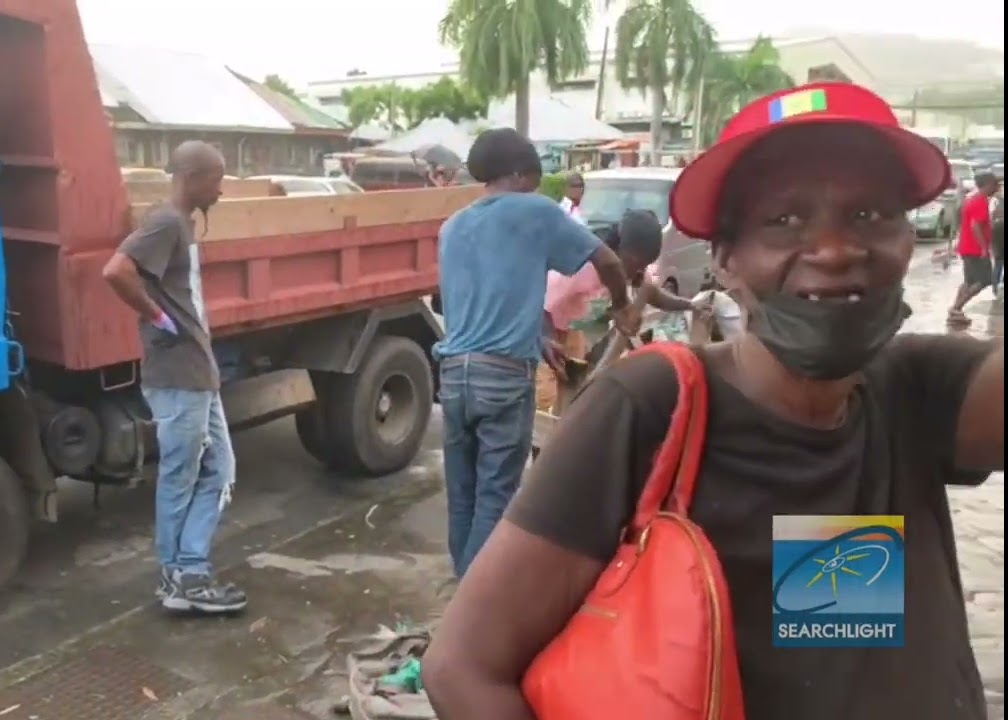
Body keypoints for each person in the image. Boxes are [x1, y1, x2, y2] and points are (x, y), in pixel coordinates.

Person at [422, 83, 1004, 719]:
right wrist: (615, 311)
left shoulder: (913, 392)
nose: (836, 251)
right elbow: (463, 668)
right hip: (506, 369)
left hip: (458, 365)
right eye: (784, 221)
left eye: (869, 216)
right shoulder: (652, 407)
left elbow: (832, 629)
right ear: (725, 260)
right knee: (492, 495)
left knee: (473, 493)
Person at [433, 127, 639, 579]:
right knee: (496, 496)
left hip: (453, 375)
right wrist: (624, 307)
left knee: (463, 494)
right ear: (523, 174)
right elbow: (606, 260)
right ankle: (473, 604)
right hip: (502, 378)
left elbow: (475, 302)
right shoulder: (536, 212)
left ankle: (462, 588)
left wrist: (535, 336)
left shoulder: (453, 226)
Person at [102, 141, 247, 614]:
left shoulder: (180, 224)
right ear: (191, 177)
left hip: (196, 371)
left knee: (220, 470)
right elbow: (117, 271)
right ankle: (181, 579)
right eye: (216, 179)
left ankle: (189, 569)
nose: (221, 190)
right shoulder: (165, 222)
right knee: (180, 476)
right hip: (178, 374)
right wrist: (160, 320)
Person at [536, 209, 711, 412]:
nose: (638, 271)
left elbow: (652, 294)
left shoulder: (633, 270)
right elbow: (541, 305)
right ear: (617, 250)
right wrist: (548, 342)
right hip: (542, 328)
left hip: (572, 329)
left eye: (645, 265)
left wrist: (689, 305)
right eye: (636, 263)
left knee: (575, 392)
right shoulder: (582, 269)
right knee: (544, 394)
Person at [949, 172, 1000, 326]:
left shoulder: (972, 199)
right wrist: (984, 248)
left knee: (969, 281)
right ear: (988, 184)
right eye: (995, 184)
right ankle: (956, 307)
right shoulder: (980, 201)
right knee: (983, 280)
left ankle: (956, 311)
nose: (997, 187)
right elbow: (975, 226)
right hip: (974, 249)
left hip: (966, 246)